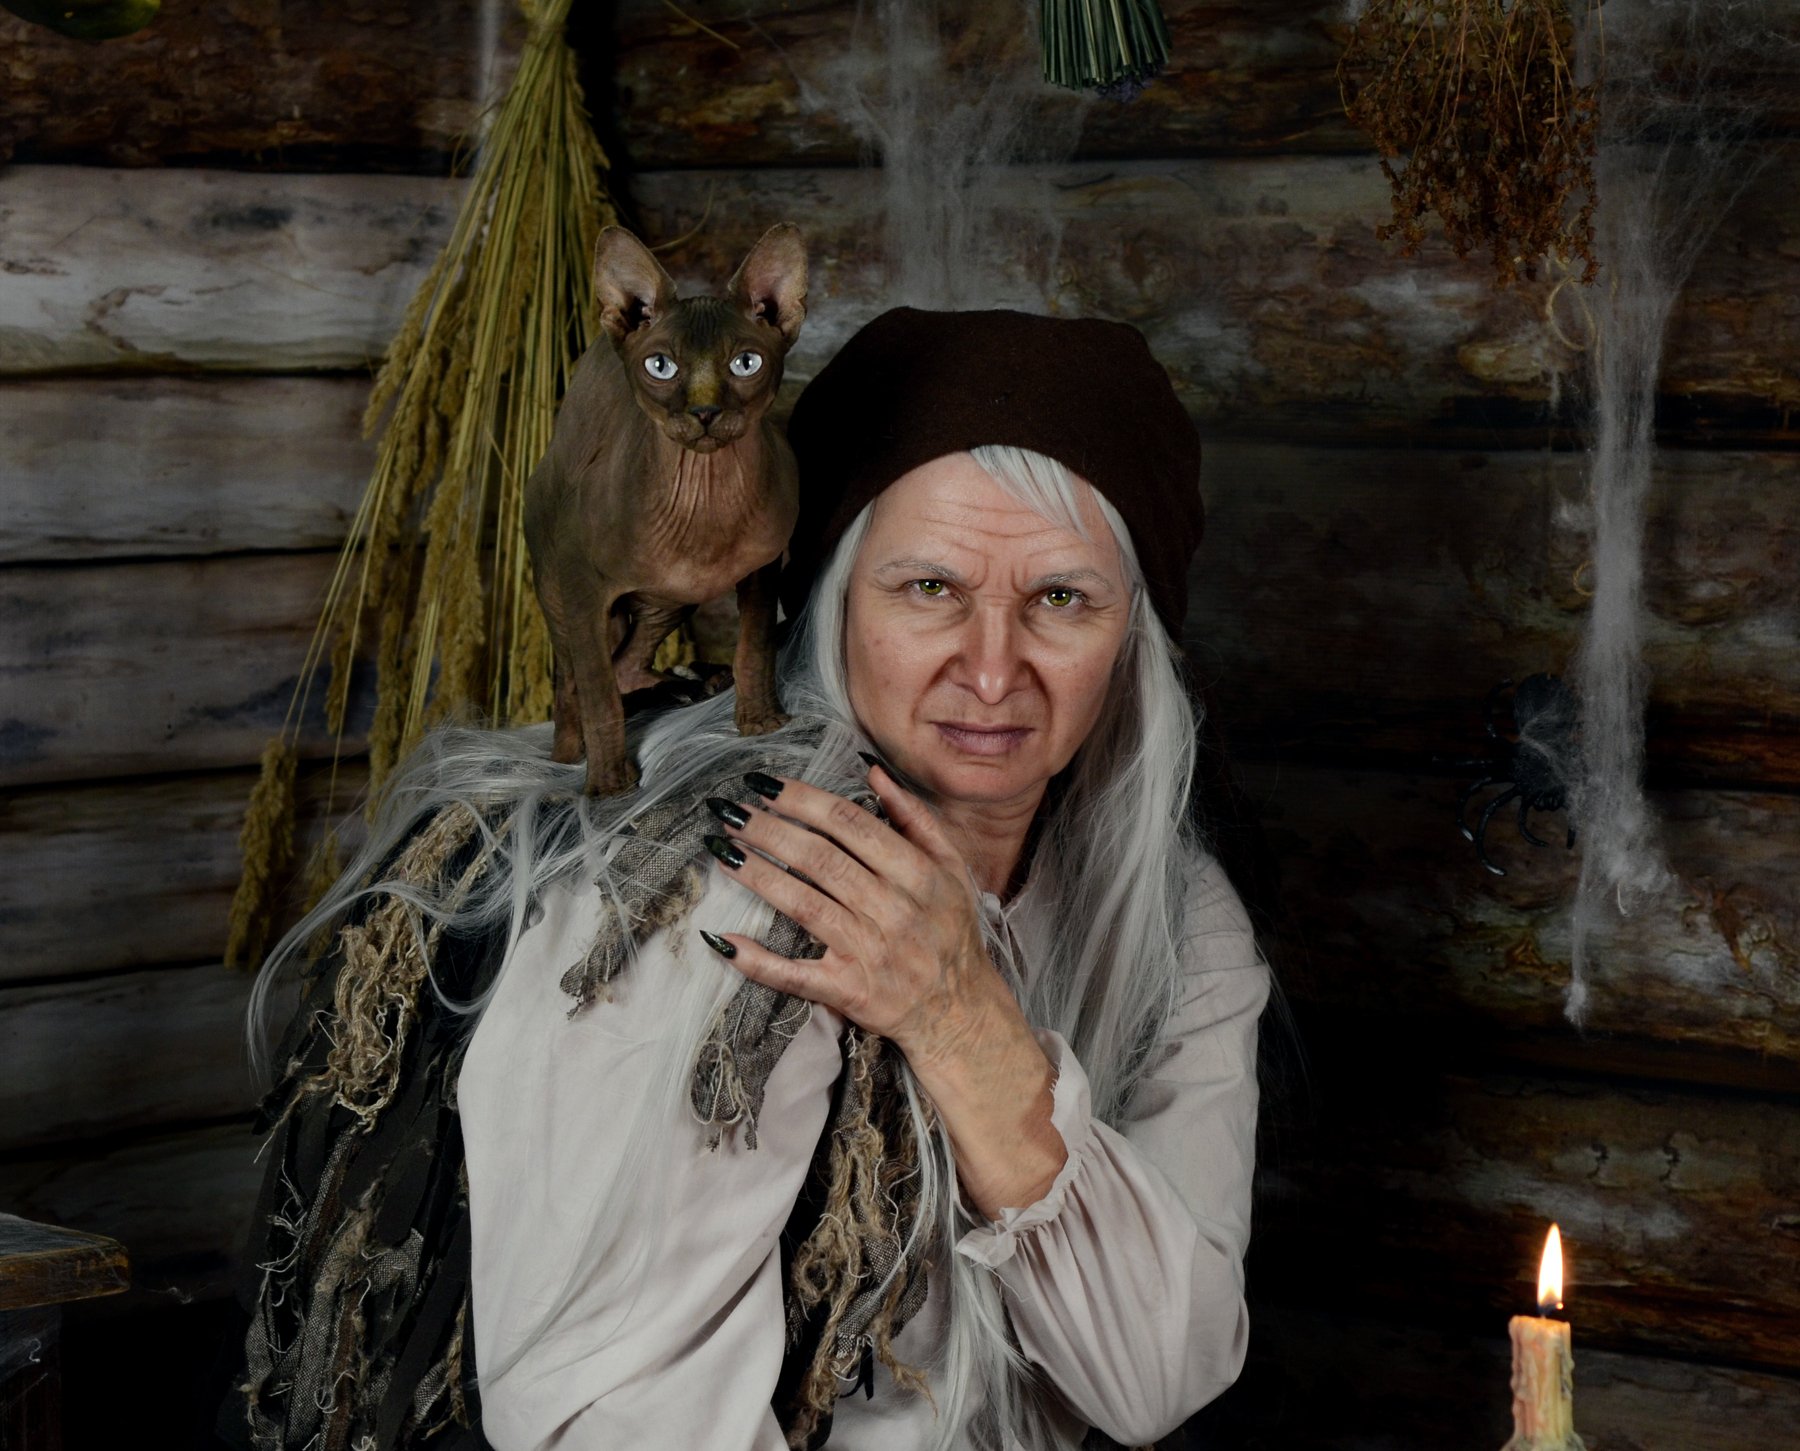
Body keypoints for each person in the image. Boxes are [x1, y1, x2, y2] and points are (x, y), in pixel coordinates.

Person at [225, 307, 1272, 1451]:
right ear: (831, 596)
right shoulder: (724, 889)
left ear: (1134, 633)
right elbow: (617, 1417)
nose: (989, 669)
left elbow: (1157, 1372)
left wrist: (964, 1021)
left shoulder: (1175, 914)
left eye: (1061, 597)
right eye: (928, 587)